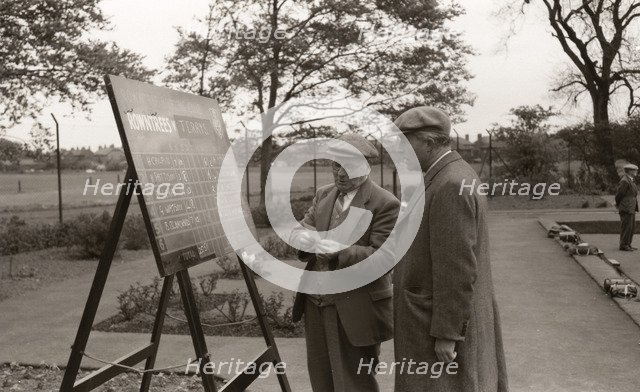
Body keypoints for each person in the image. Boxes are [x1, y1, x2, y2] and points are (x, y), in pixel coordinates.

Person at [391, 106, 508, 392]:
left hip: (431, 324)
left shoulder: (450, 184)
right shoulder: (450, 174)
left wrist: (447, 333)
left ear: (430, 143)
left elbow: (456, 267)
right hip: (432, 317)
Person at [290, 133, 400, 392]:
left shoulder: (385, 203)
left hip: (356, 307)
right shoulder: (323, 195)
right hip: (316, 304)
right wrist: (304, 241)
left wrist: (339, 253)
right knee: (321, 379)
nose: (339, 173)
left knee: (355, 383)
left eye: (347, 167)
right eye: (335, 165)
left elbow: (384, 258)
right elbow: (299, 231)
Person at [615, 163, 639, 251]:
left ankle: (628, 244)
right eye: (635, 170)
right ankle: (624, 245)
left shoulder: (630, 180)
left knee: (631, 226)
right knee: (626, 226)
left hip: (630, 207)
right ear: (629, 171)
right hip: (626, 207)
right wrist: (619, 204)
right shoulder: (625, 181)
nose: (636, 171)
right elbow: (619, 194)